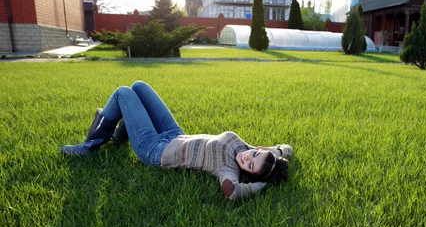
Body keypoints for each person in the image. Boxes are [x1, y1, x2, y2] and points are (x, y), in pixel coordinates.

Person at [61, 81, 293, 200]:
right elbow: (283, 149)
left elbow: (231, 192)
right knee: (139, 86)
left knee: (123, 92)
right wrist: (282, 151)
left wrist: (260, 186)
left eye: (249, 166)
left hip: (154, 149)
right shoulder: (248, 149)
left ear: (248, 173)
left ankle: (90, 146)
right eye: (254, 155)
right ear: (259, 149)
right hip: (175, 133)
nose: (246, 158)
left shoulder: (228, 169)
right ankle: (120, 135)